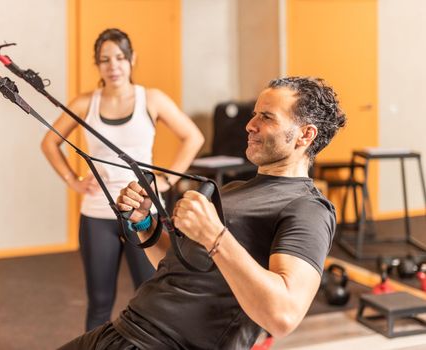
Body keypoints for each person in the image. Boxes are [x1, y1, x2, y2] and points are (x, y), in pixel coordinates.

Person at [57, 76, 347, 349]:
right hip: (124, 330)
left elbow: (283, 315)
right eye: (255, 114)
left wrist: (215, 236)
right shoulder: (234, 189)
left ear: (305, 135)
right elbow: (178, 261)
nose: (250, 125)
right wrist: (145, 222)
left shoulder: (308, 208)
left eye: (267, 117)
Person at [41, 28, 204, 331]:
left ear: (132, 60)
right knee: (99, 303)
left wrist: (165, 183)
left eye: (119, 57)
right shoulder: (84, 103)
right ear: (97, 65)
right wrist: (73, 180)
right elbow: (49, 142)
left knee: (150, 298)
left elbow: (193, 136)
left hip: (142, 213)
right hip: (97, 214)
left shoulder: (151, 99)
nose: (112, 66)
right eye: (104, 60)